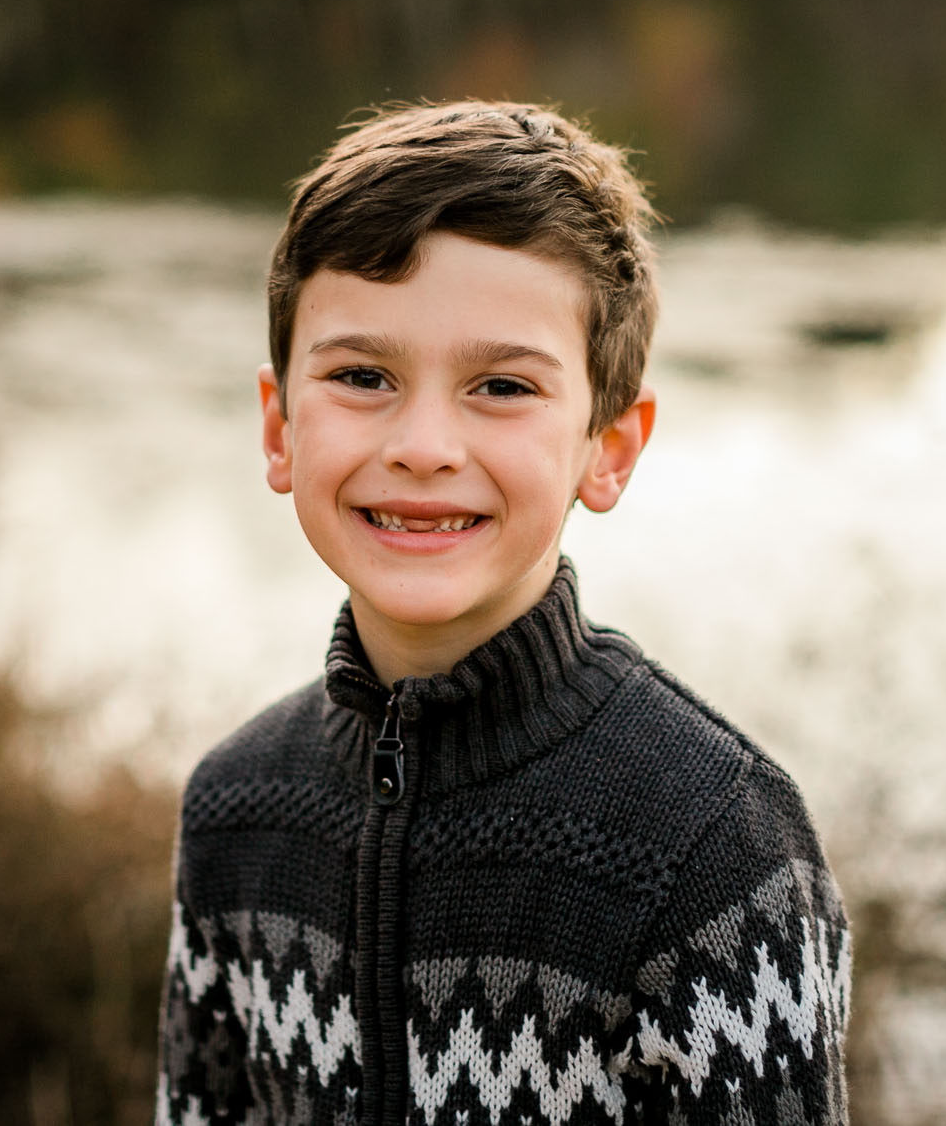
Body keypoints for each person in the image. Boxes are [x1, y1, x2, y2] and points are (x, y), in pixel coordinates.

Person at [156, 101, 850, 1126]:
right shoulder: (235, 811)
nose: (424, 443)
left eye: (498, 385)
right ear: (278, 428)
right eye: (361, 377)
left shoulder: (707, 842)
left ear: (606, 447)